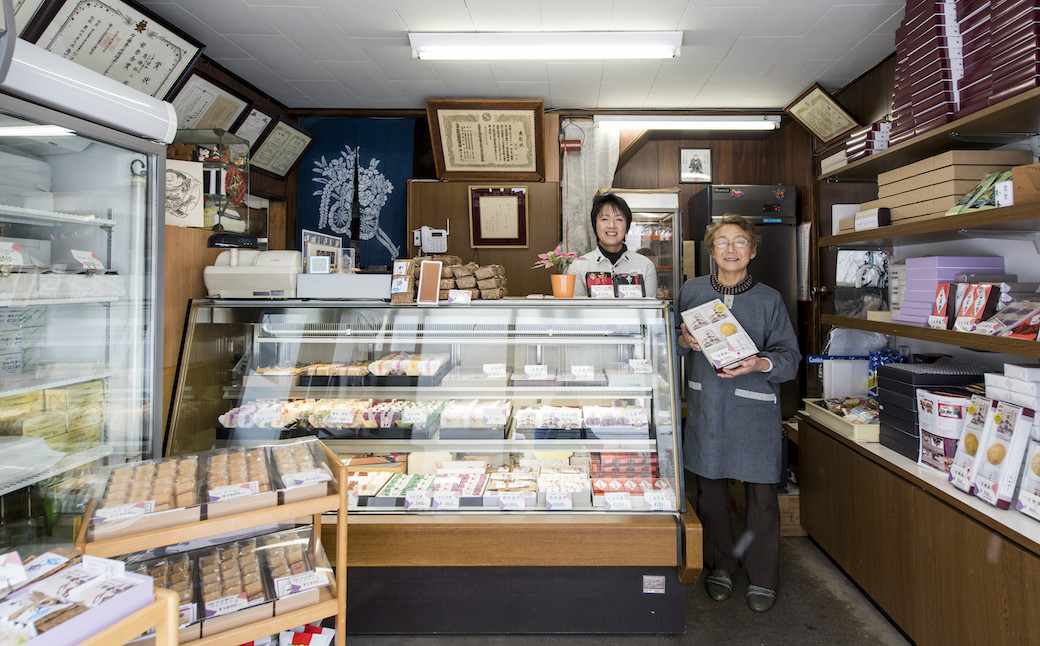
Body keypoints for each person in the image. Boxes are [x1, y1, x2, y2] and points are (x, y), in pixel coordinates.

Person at [676, 213, 800, 613]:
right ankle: (720, 566)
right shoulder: (692, 291)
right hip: (707, 404)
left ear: (753, 250)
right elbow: (670, 343)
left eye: (740, 241)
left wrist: (759, 364)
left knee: (762, 497)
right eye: (722, 241)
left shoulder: (769, 299)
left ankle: (762, 576)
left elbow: (790, 359)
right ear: (711, 250)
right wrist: (684, 340)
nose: (731, 249)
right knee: (709, 492)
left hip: (754, 409)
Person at [567, 193, 657, 298]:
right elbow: (577, 311)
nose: (611, 226)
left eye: (618, 219)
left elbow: (649, 311)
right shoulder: (579, 267)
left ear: (627, 225)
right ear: (595, 224)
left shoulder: (645, 266)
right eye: (604, 219)